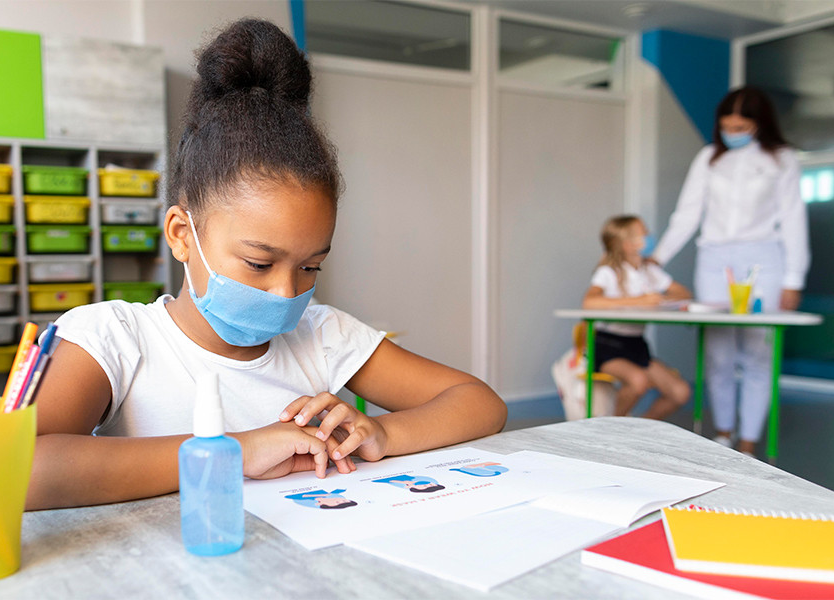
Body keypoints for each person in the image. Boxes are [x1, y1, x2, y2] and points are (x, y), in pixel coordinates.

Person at [26, 19, 507, 510]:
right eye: (259, 263)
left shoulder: (322, 335)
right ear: (181, 235)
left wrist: (382, 433)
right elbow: (24, 469)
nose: (286, 292)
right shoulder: (114, 338)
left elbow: (480, 402)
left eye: (310, 267)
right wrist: (234, 452)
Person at [651, 86, 810, 457]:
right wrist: (656, 258)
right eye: (727, 126)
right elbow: (686, 214)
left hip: (764, 260)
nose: (732, 133)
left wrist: (794, 278)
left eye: (741, 127)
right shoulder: (709, 158)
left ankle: (749, 441)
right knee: (718, 352)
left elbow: (793, 219)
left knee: (758, 351)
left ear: (759, 124)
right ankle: (724, 433)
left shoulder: (782, 159)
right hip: (715, 260)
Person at [582, 215, 692, 419]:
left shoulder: (649, 271)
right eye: (644, 233)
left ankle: (639, 429)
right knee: (638, 381)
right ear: (626, 244)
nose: (649, 236)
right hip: (607, 345)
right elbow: (589, 302)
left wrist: (660, 299)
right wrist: (639, 300)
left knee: (680, 392)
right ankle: (610, 428)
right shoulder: (609, 272)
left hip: (637, 346)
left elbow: (684, 293)